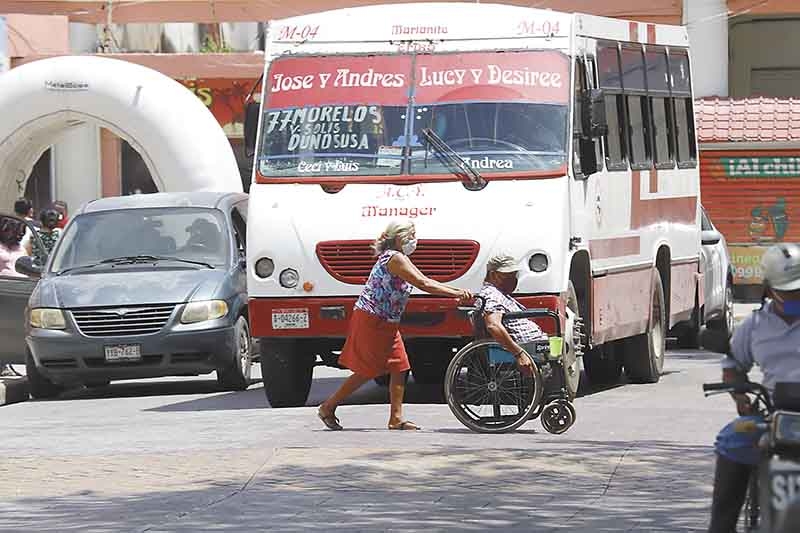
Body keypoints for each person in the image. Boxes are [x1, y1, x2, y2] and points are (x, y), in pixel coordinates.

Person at [317, 220, 472, 431]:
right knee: (368, 370)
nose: (415, 240)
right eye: (412, 234)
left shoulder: (400, 257)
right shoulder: (395, 258)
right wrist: (457, 293)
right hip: (373, 319)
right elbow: (423, 284)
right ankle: (328, 406)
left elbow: (424, 280)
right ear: (399, 237)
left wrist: (457, 291)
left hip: (387, 320)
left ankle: (396, 418)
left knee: (400, 366)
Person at [708, 243, 800, 533]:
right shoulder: (756, 324)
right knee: (731, 439)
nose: (792, 297)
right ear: (770, 288)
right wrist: (739, 395)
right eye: (786, 291)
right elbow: (733, 363)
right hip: (772, 417)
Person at [476, 254, 545, 375]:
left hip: (532, 343)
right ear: (493, 274)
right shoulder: (491, 295)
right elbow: (493, 326)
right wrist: (519, 353)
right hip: (523, 346)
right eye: (508, 275)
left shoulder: (499, 293)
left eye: (514, 274)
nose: (513, 279)